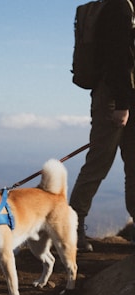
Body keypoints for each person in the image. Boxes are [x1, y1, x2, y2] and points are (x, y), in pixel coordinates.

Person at [70, 0, 135, 251]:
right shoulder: (119, 7)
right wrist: (121, 104)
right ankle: (73, 226)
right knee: (99, 162)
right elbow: (117, 57)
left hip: (126, 96)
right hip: (114, 98)